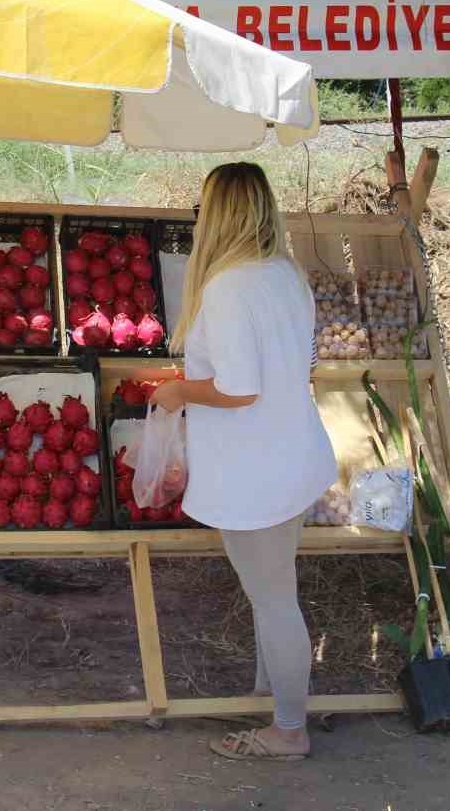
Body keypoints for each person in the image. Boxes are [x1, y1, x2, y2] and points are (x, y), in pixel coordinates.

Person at [148, 162, 337, 761]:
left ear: (218, 214)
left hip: (256, 468)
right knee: (275, 590)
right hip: (292, 453)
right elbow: (299, 366)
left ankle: (287, 728)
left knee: (274, 597)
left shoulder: (229, 286)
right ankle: (273, 692)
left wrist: (178, 392)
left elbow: (239, 390)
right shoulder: (285, 272)